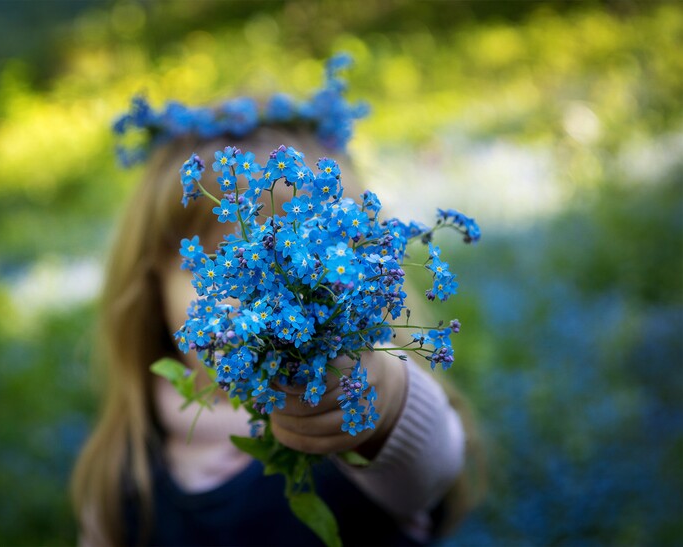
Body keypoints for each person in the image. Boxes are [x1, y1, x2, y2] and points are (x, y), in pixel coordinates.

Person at [72, 59, 483, 547]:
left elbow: (428, 473)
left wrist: (388, 404)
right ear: (152, 287)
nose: (262, 295)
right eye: (222, 262)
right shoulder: (126, 470)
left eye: (297, 258)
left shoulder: (355, 416)